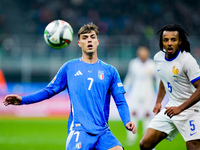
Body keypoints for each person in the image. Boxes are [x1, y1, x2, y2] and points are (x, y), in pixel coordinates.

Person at [3, 22, 136, 150]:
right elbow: (48, 91)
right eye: (85, 38)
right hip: (79, 129)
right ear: (79, 43)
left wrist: (127, 120)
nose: (89, 40)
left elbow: (120, 101)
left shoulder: (110, 71)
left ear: (98, 42)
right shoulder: (69, 68)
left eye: (92, 37)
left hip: (103, 131)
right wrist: (22, 100)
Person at [139, 24, 200, 150]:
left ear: (180, 41)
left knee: (193, 147)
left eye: (173, 39)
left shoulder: (187, 60)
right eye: (166, 40)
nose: (169, 43)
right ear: (162, 42)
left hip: (191, 110)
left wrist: (180, 108)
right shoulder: (158, 58)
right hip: (171, 109)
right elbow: (164, 78)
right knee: (145, 144)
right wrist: (158, 102)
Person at [123, 46, 158, 145]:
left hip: (148, 92)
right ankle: (131, 137)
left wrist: (159, 91)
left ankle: (146, 137)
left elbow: (157, 78)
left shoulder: (152, 64)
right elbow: (129, 77)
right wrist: (124, 89)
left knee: (147, 114)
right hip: (135, 92)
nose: (143, 55)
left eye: (144, 53)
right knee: (133, 113)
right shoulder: (134, 63)